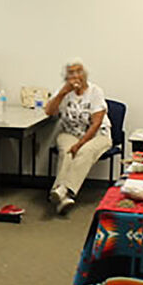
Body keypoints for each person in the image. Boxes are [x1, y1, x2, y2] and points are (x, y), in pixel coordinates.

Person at [44, 58, 112, 215]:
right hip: (69, 132)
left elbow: (96, 123)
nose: (76, 76)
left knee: (84, 152)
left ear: (85, 74)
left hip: (98, 134)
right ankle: (64, 196)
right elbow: (49, 112)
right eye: (71, 73)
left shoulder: (95, 91)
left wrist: (80, 143)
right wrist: (62, 93)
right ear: (66, 77)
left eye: (79, 71)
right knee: (66, 151)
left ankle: (63, 190)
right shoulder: (63, 91)